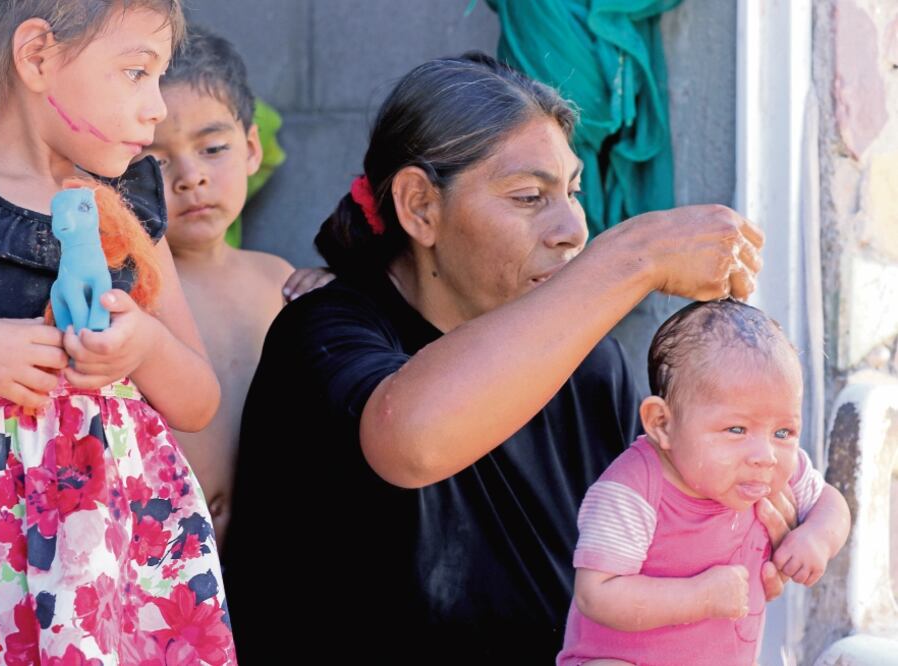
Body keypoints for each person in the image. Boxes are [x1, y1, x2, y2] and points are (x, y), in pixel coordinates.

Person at [226, 52, 788, 666]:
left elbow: (641, 543)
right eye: (528, 197)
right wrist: (633, 255)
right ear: (420, 207)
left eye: (573, 191)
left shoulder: (589, 364)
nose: (573, 228)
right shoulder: (325, 333)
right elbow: (411, 439)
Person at [0, 1, 235, 663]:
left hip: (121, 575)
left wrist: (145, 346)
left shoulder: (131, 213)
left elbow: (199, 401)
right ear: (38, 57)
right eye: (138, 72)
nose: (157, 106)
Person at [558, 300, 851, 666]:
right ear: (662, 424)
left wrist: (817, 537)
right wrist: (701, 597)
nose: (765, 454)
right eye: (736, 429)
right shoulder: (632, 492)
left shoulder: (770, 468)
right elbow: (595, 595)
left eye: (783, 431)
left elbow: (831, 502)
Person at [141, 27, 331, 550]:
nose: (190, 177)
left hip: (270, 563)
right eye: (155, 161)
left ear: (251, 149)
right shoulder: (131, 291)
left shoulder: (277, 279)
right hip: (165, 568)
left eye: (213, 148)